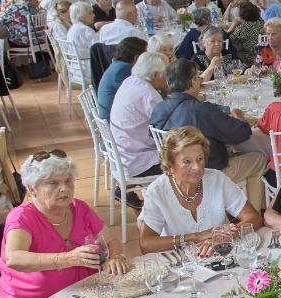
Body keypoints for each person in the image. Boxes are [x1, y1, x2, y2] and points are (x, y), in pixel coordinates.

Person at [0, 152, 132, 298]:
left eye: (68, 181)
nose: (64, 188)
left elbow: (110, 239)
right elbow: (14, 258)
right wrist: (68, 258)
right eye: (52, 183)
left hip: (86, 294)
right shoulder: (22, 218)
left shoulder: (79, 208)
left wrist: (116, 257)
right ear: (32, 188)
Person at [150, 58, 269, 208]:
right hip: (206, 174)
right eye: (199, 78)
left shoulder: (159, 108)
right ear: (193, 82)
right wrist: (239, 116)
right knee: (259, 159)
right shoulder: (202, 110)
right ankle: (253, 214)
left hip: (176, 173)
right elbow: (241, 133)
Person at [137, 127, 262, 256]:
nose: (197, 167)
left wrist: (222, 237)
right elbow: (146, 244)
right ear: (170, 166)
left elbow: (254, 218)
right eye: (187, 161)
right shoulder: (157, 192)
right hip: (181, 263)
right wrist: (195, 237)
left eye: (200, 159)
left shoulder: (216, 179)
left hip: (221, 255)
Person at [109, 50, 169, 178]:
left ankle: (126, 191)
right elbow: (165, 129)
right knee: (187, 156)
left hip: (121, 153)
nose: (167, 77)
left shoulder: (130, 81)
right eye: (165, 74)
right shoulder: (149, 95)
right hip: (136, 160)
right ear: (154, 75)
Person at [96, 36, 148, 121]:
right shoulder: (122, 70)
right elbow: (139, 96)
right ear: (136, 58)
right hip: (115, 122)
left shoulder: (118, 65)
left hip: (113, 115)